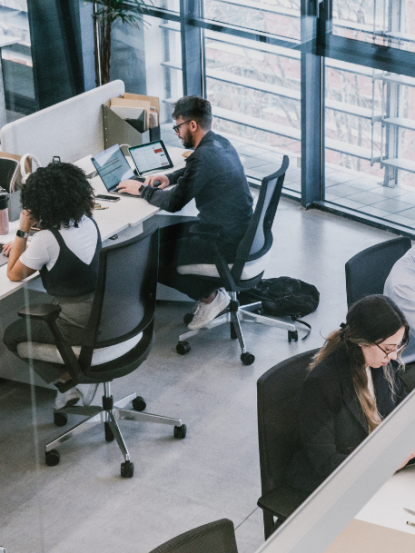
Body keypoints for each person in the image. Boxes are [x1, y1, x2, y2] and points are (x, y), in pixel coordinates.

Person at [117, 95, 253, 330]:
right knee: (155, 240)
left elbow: (173, 202)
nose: (177, 133)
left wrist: (141, 189)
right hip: (239, 231)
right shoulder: (220, 143)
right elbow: (196, 170)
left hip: (222, 240)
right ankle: (210, 289)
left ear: (192, 125)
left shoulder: (202, 156)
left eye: (178, 126)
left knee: (149, 258)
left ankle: (210, 298)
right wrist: (168, 177)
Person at [286, 295, 415, 495]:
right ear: (362, 341)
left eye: (398, 347)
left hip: (377, 467)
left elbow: (403, 411)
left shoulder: (380, 362)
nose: (393, 356)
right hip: (332, 485)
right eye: (388, 349)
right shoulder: (322, 384)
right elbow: (326, 463)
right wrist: (386, 463)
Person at [3, 162, 102, 410]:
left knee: (12, 335)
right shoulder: (89, 222)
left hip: (74, 325)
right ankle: (75, 374)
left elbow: (14, 273)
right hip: (103, 315)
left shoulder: (47, 240)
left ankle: (70, 381)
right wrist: (25, 246)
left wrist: (23, 230)